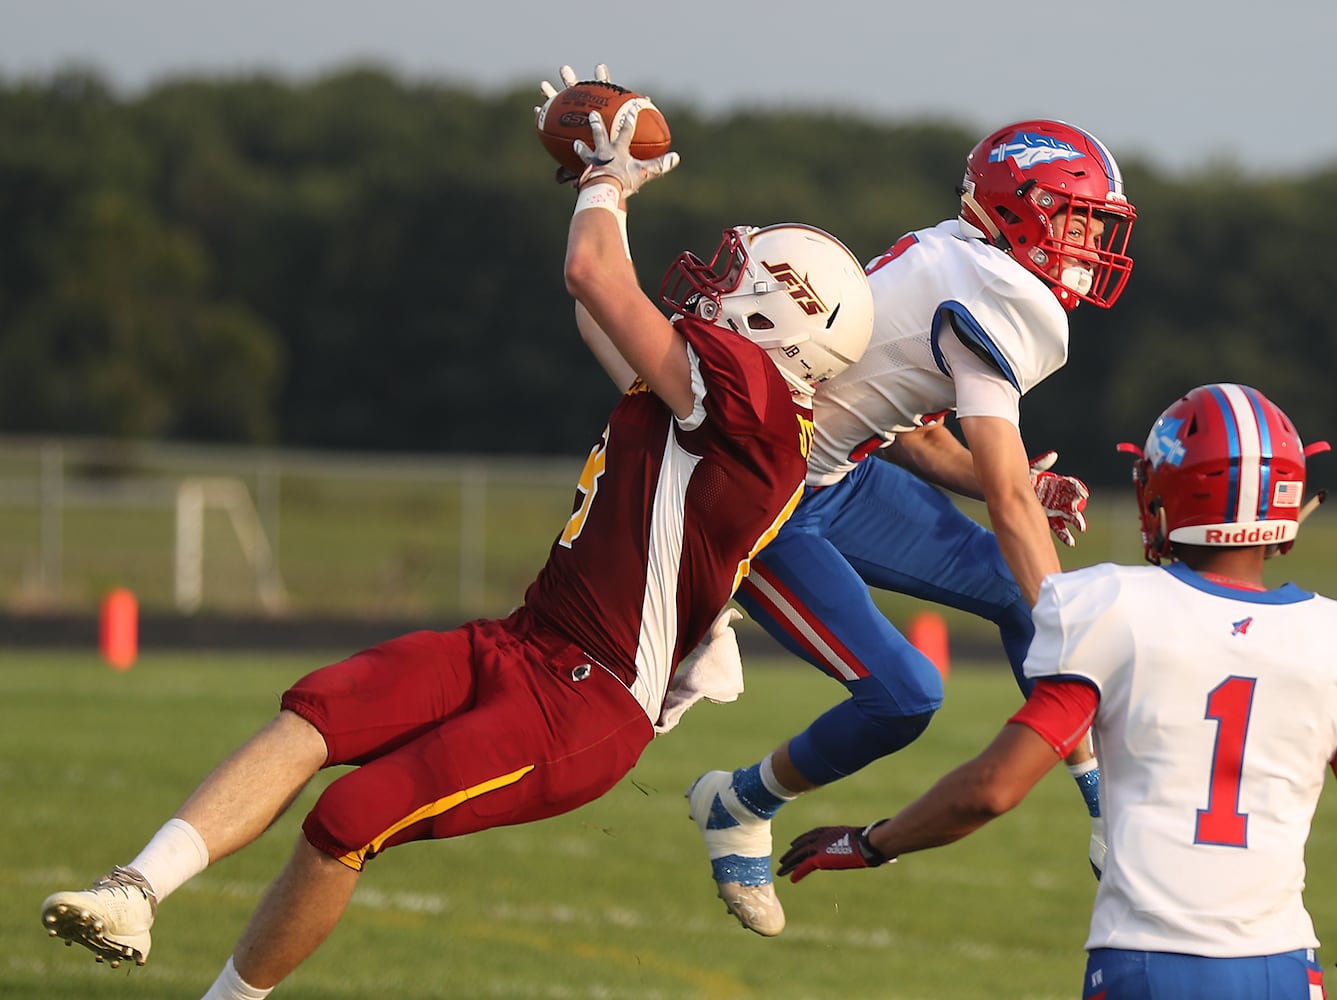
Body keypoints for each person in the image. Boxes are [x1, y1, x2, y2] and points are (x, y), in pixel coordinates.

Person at [38, 64, 875, 999]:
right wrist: (594, 179)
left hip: (587, 703)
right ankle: (134, 891)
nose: (714, 279)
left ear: (780, 321)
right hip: (522, 643)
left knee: (350, 817)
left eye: (740, 276)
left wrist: (608, 181)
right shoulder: (718, 396)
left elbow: (592, 273)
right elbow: (595, 305)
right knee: (318, 711)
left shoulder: (756, 415)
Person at [685, 119, 1138, 936]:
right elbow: (1002, 502)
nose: (1087, 242)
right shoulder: (997, 292)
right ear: (1019, 210)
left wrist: (1024, 485)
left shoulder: (957, 260)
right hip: (764, 498)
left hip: (836, 476)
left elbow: (916, 435)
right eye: (1076, 219)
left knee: (1014, 588)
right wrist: (1019, 498)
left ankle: (1109, 809)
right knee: (906, 694)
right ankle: (738, 799)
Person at [777, 383, 1333, 1000]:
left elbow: (992, 789)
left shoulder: (1117, 607)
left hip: (1151, 964)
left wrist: (870, 843)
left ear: (1164, 495)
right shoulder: (1328, 635)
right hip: (1285, 966)